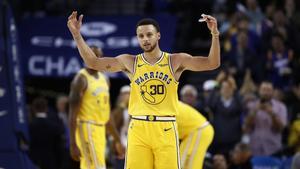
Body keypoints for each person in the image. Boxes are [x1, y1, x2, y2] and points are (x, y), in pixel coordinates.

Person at [67, 11, 220, 169]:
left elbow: (212, 63)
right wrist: (77, 36)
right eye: (141, 36)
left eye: (149, 35)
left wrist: (214, 34)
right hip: (138, 128)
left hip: (165, 127)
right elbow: (93, 62)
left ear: (158, 36)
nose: (145, 39)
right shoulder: (130, 62)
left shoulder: (175, 61)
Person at [68, 46, 125, 169]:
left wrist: (117, 140)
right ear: (85, 56)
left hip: (101, 130)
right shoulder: (81, 79)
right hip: (86, 127)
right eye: (94, 55)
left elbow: (107, 113)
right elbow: (72, 114)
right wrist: (72, 143)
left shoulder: (105, 79)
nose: (97, 58)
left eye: (99, 56)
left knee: (91, 166)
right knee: (97, 167)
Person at [177, 101, 214, 169]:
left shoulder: (164, 106)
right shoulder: (166, 102)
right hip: (196, 132)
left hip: (199, 130)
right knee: (185, 162)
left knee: (181, 163)